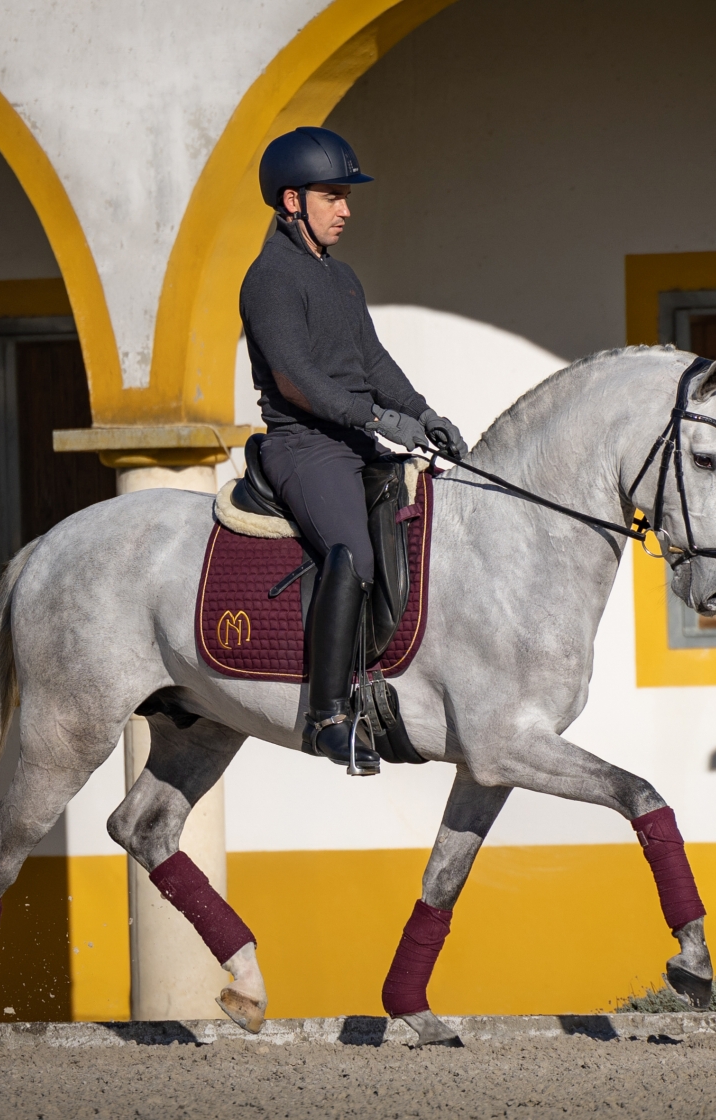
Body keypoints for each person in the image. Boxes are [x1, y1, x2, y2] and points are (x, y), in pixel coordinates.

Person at [239, 126, 467, 773]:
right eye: (333, 195)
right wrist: (376, 417)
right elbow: (297, 379)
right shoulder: (270, 279)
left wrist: (423, 412)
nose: (346, 208)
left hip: (354, 440)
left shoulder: (339, 277)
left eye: (346, 196)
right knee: (355, 551)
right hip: (304, 445)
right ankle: (329, 715)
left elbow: (372, 360)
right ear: (292, 200)